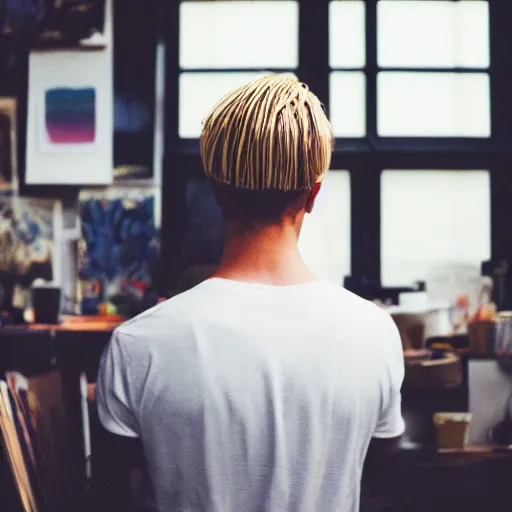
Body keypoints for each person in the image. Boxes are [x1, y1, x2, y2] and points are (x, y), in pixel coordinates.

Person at [96, 74, 405, 512]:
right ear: (313, 194)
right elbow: (380, 469)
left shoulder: (137, 345)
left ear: (217, 190)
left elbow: (110, 494)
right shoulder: (374, 333)